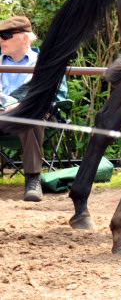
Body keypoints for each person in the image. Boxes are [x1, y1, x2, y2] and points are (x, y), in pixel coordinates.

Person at [0, 16, 67, 201]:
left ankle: (33, 180)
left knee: (31, 116)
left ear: (24, 37)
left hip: (34, 114)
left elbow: (57, 95)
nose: (0, 40)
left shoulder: (46, 63)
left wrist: (23, 105)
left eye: (5, 36)